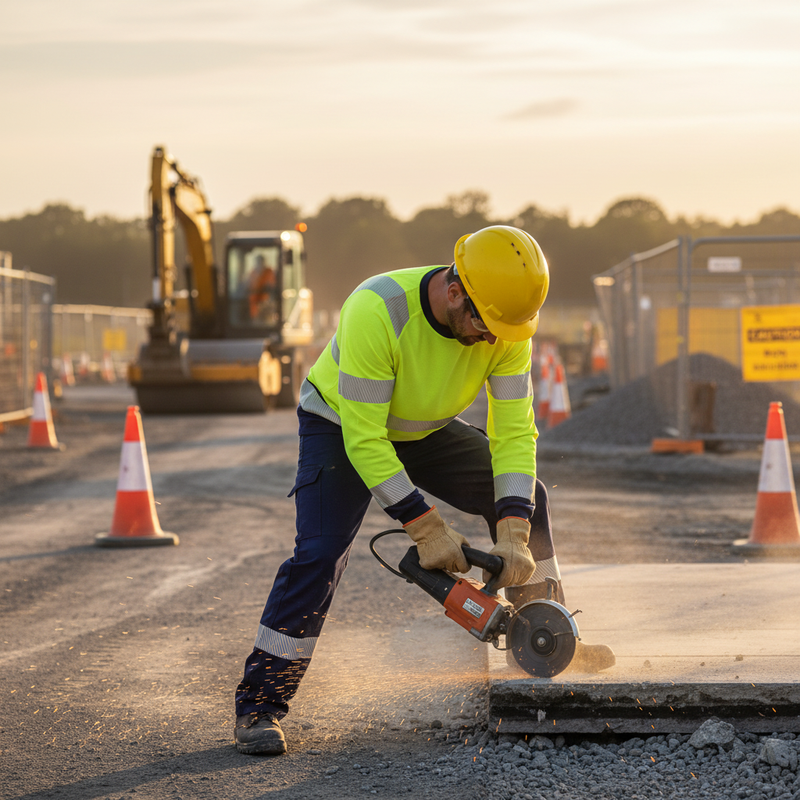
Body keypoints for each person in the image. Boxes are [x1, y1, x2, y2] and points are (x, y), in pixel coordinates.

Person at [233, 225, 615, 755]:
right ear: (454, 292)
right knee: (320, 555)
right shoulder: (376, 309)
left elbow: (514, 434)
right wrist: (425, 526)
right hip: (342, 424)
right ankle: (261, 704)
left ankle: (543, 639)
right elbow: (365, 441)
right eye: (485, 325)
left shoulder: (503, 330)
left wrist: (513, 530)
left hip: (421, 427)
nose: (492, 338)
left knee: (530, 498)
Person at [248, 254, 277, 321]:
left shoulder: (268, 272)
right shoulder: (253, 272)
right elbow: (249, 285)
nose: (259, 263)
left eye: (260, 261)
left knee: (266, 320)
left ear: (263, 262)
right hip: (254, 304)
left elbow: (272, 285)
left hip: (265, 303)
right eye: (257, 262)